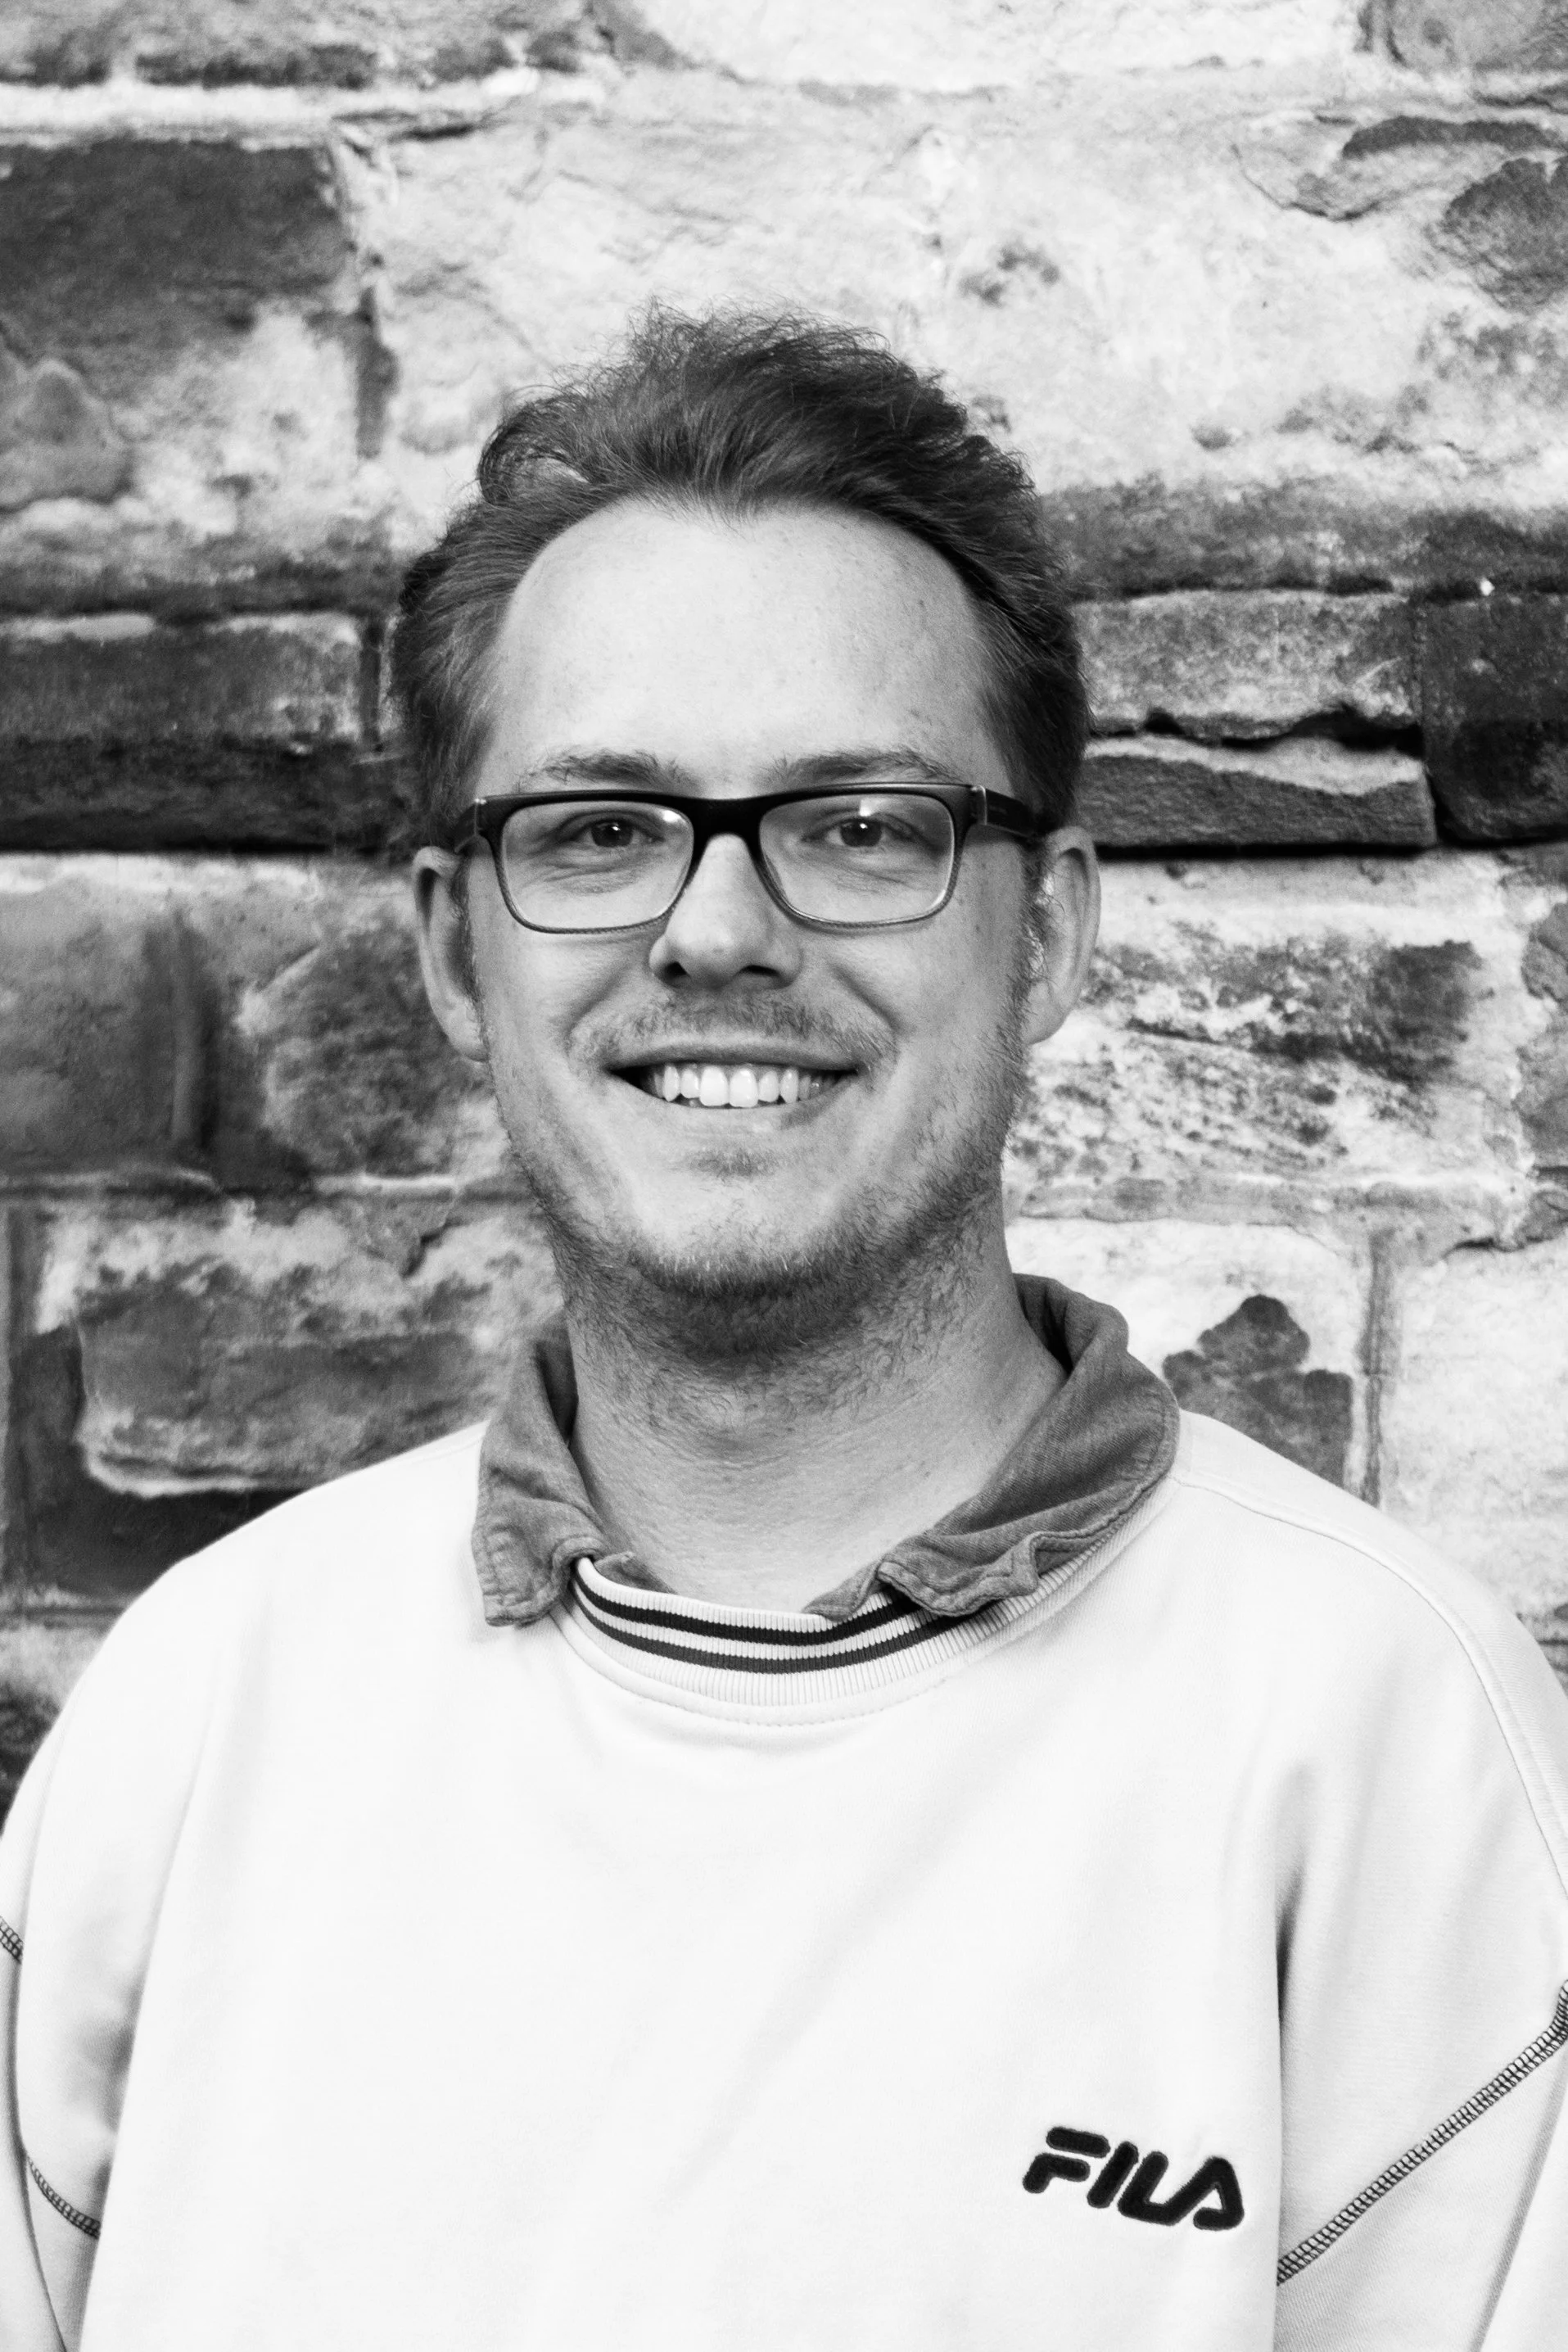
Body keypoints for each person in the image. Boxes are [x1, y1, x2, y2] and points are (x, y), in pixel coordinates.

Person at [2, 310, 1566, 2352]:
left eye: (857, 824)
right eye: (598, 827)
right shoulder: (202, 1710)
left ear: (1056, 928)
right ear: (451, 951)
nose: (719, 929)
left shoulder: (1391, 1739)